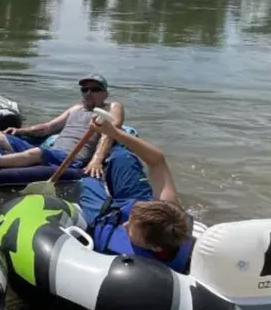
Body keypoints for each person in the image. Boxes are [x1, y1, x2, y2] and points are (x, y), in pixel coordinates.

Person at [0, 74, 123, 178]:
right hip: (55, 151)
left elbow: (110, 132)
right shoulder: (75, 108)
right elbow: (48, 127)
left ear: (105, 93)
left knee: (37, 152)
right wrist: (20, 131)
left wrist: (97, 159)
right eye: (85, 89)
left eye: (94, 89)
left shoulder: (112, 107)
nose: (88, 92)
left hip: (71, 159)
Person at [81, 116, 194, 273]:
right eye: (129, 222)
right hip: (136, 199)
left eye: (131, 229)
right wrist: (114, 132)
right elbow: (157, 161)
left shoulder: (141, 267)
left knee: (88, 180)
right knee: (121, 156)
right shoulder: (171, 210)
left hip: (104, 215)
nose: (125, 224)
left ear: (154, 247)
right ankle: (114, 142)